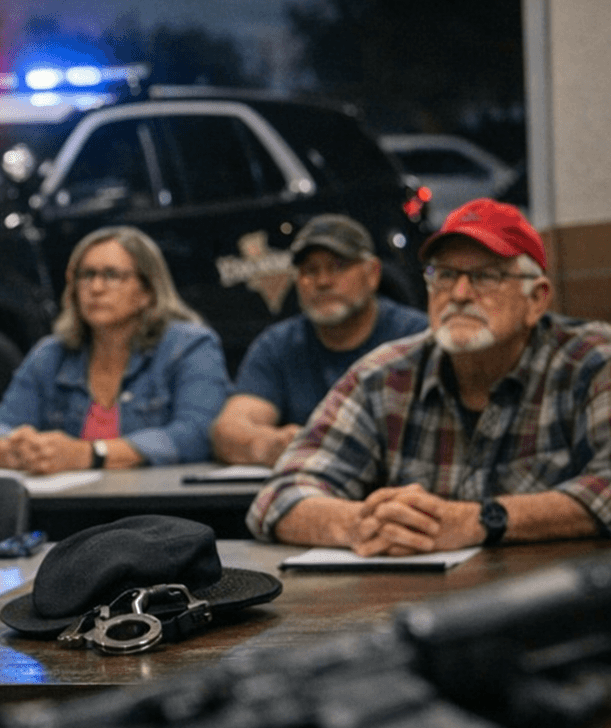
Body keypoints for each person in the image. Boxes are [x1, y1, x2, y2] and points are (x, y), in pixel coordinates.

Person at [247, 198, 611, 554]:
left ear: (536, 300)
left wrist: (484, 520)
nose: (460, 294)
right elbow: (279, 496)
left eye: (486, 276)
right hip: (418, 605)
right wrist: (360, 523)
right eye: (446, 275)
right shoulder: (384, 375)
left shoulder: (592, 363)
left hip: (559, 606)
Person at [0, 226, 230, 472]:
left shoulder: (190, 345)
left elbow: (198, 435)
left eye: (111, 275)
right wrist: (15, 451)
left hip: (159, 510)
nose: (95, 288)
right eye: (87, 275)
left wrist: (90, 454)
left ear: (147, 291)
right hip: (67, 511)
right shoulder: (50, 355)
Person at [211, 214, 428, 466]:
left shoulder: (416, 336)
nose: (323, 282)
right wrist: (271, 445)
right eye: (310, 271)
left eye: (338, 267)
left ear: (373, 273)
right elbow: (227, 429)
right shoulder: (278, 345)